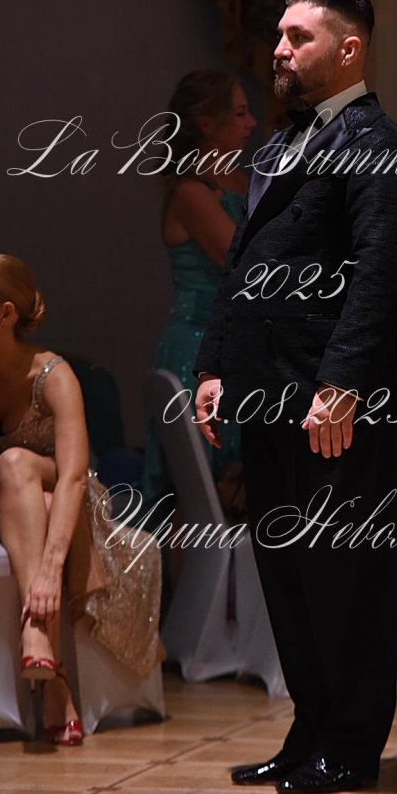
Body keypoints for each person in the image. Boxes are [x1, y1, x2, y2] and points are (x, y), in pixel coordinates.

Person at [194, 0, 397, 793]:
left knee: (344, 577)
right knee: (288, 575)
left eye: (300, 36)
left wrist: (341, 385)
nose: (280, 48)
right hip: (268, 392)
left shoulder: (383, 145)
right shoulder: (284, 143)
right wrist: (215, 365)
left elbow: (379, 278)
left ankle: (352, 745)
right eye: (280, 34)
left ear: (349, 48)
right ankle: (311, 731)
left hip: (333, 400)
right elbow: (243, 264)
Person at [0, 254, 162, 743]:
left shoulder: (54, 375)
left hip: (65, 501)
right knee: (14, 471)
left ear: (6, 314)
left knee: (20, 468)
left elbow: (73, 479)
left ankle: (47, 663)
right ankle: (49, 661)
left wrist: (51, 570)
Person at [141, 70, 257, 507]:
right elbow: (244, 264)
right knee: (195, 495)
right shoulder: (192, 192)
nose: (252, 124)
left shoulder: (246, 182)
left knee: (245, 486)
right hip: (196, 347)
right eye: (240, 114)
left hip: (240, 345)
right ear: (208, 123)